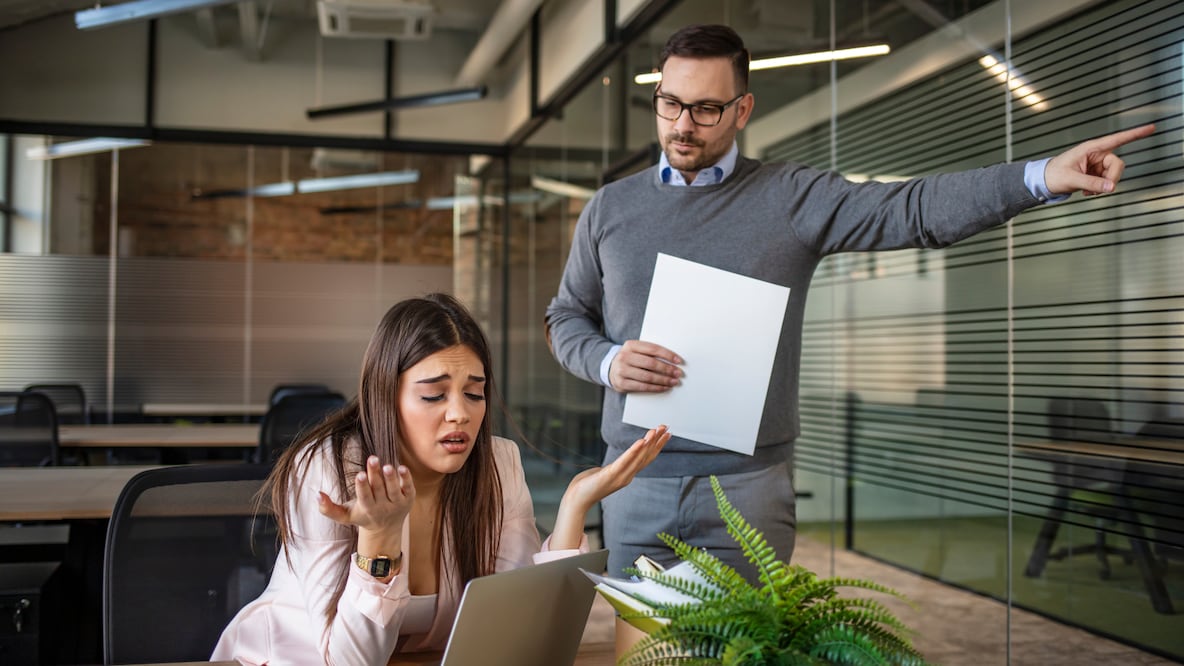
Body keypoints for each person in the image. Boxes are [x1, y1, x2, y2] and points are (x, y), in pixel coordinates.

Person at [544, 23, 1155, 581]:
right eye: (671, 104)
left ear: (743, 109)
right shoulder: (611, 208)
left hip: (747, 489)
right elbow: (566, 316)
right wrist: (606, 361)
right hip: (630, 480)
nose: (682, 125)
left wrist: (1039, 177)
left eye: (705, 109)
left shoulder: (790, 198)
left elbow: (912, 210)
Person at [212, 293, 670, 665]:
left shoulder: (497, 463)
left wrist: (573, 508)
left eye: (475, 393)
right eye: (434, 395)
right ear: (385, 396)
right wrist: (379, 537)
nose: (460, 414)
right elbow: (353, 661)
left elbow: (523, 630)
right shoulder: (330, 469)